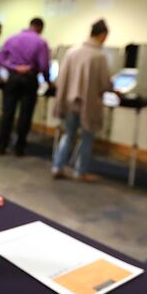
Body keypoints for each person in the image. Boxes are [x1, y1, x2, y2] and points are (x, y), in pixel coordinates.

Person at [51, 19, 116, 182]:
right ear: (102, 35)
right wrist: (113, 88)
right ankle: (80, 171)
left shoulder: (72, 51)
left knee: (68, 134)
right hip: (88, 103)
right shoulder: (99, 56)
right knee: (87, 137)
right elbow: (104, 82)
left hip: (70, 101)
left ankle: (58, 165)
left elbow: (61, 79)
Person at [0, 17, 52, 156]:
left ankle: (2, 146)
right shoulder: (41, 42)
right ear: (40, 28)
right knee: (25, 115)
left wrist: (14, 67)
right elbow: (44, 66)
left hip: (13, 78)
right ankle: (19, 148)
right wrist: (47, 81)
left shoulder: (12, 38)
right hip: (30, 80)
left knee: (7, 113)